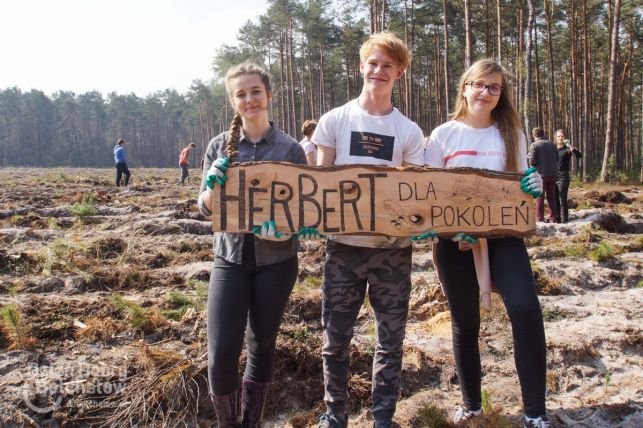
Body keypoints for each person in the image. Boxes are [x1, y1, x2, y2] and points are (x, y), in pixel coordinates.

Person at [424, 59, 549, 428]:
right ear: (465, 87)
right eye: (480, 84)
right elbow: (429, 193)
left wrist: (534, 186)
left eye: (495, 88)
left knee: (526, 309)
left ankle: (535, 413)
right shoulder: (443, 134)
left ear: (501, 95)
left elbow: (521, 184)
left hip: (504, 237)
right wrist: (449, 229)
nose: (486, 93)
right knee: (465, 323)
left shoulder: (512, 133)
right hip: (454, 241)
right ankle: (472, 406)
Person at [313, 31, 425, 428]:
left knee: (390, 341)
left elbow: (416, 194)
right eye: (373, 63)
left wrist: (421, 224)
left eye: (388, 65)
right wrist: (309, 220)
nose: (379, 71)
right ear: (362, 67)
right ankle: (334, 415)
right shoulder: (334, 121)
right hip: (343, 249)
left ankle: (383, 418)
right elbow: (319, 181)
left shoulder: (409, 132)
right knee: (335, 341)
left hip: (393, 251)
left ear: (399, 73)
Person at [196, 61, 308, 428]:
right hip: (229, 259)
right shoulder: (218, 147)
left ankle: (251, 422)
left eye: (255, 92)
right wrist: (212, 187)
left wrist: (287, 231)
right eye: (241, 94)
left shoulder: (291, 150)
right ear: (233, 101)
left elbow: (305, 212)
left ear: (269, 95)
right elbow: (205, 208)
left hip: (276, 262)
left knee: (261, 346)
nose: (249, 100)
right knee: (221, 353)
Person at [528, 127, 559, 223]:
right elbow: (557, 159)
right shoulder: (553, 145)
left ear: (534, 135)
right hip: (553, 174)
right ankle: (554, 218)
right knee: (551, 197)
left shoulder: (534, 145)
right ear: (543, 134)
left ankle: (539, 219)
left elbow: (532, 161)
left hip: (540, 174)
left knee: (539, 197)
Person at [554, 129, 582, 223]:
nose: (560, 138)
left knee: (562, 198)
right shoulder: (553, 149)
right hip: (553, 176)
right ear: (555, 138)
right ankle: (557, 219)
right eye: (558, 136)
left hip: (563, 176)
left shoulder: (567, 149)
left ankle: (565, 220)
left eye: (562, 136)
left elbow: (579, 155)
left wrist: (570, 145)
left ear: (565, 138)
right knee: (555, 198)